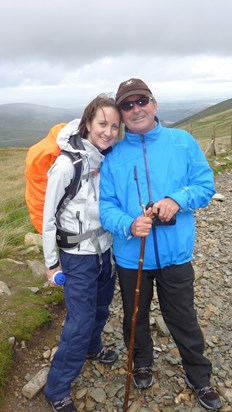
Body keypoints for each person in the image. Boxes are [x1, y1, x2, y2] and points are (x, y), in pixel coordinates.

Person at [99, 79, 222, 410]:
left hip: (175, 255)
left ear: (154, 104)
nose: (136, 109)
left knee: (182, 318)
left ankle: (200, 378)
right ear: (122, 114)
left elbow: (205, 184)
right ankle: (141, 362)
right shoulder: (113, 156)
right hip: (130, 256)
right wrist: (128, 223)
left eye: (142, 101)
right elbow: (106, 205)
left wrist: (177, 200)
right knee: (134, 317)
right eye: (127, 105)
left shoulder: (182, 142)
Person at [42, 94, 121, 412]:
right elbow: (48, 219)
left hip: (105, 250)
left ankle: (93, 347)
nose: (109, 131)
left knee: (101, 308)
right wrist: (51, 264)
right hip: (77, 256)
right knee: (80, 320)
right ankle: (57, 388)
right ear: (88, 122)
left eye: (115, 126)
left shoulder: (107, 158)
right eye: (103, 123)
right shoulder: (66, 164)